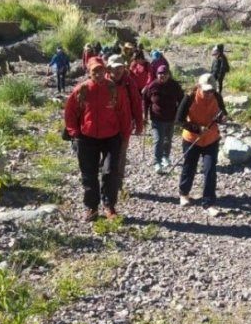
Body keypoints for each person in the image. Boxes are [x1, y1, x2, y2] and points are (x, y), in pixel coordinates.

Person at [64, 57, 126, 221]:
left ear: (106, 71)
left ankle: (109, 205)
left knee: (110, 172)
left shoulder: (114, 89)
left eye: (101, 70)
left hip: (111, 137)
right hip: (86, 138)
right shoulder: (81, 90)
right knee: (89, 174)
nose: (98, 74)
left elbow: (123, 113)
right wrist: (75, 133)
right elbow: (70, 113)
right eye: (94, 71)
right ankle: (92, 208)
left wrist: (125, 136)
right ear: (89, 72)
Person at [175, 74, 228, 207]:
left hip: (211, 139)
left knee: (210, 170)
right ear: (199, 87)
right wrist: (197, 128)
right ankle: (184, 193)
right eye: (206, 90)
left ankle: (208, 202)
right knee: (189, 167)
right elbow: (179, 120)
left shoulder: (217, 96)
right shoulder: (190, 97)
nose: (209, 93)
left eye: (212, 90)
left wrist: (222, 118)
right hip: (191, 138)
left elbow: (223, 112)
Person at [107, 54, 144, 192]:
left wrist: (139, 124)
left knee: (121, 156)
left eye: (119, 68)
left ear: (124, 68)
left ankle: (117, 185)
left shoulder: (129, 83)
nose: (116, 72)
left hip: (124, 127)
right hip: (105, 126)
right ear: (108, 68)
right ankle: (107, 182)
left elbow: (136, 104)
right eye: (113, 68)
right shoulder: (101, 82)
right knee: (106, 156)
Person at [143, 65, 183, 174]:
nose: (162, 76)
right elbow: (146, 101)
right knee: (158, 139)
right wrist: (145, 116)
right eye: (160, 74)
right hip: (157, 118)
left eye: (165, 74)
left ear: (169, 75)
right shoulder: (152, 86)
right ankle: (157, 162)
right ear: (157, 74)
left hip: (171, 117)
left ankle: (166, 157)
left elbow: (182, 101)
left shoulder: (175, 85)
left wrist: (180, 116)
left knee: (168, 139)